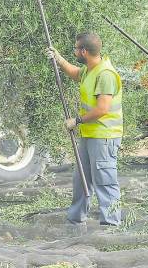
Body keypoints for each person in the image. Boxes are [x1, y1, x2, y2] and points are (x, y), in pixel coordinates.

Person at [46, 32, 123, 226]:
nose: (74, 51)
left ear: (84, 51)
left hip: (104, 136)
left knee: (105, 181)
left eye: (75, 48)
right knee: (80, 178)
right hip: (90, 134)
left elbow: (102, 109)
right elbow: (75, 73)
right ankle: (75, 219)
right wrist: (59, 59)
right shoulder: (90, 69)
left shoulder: (105, 74)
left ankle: (111, 224)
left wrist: (77, 120)